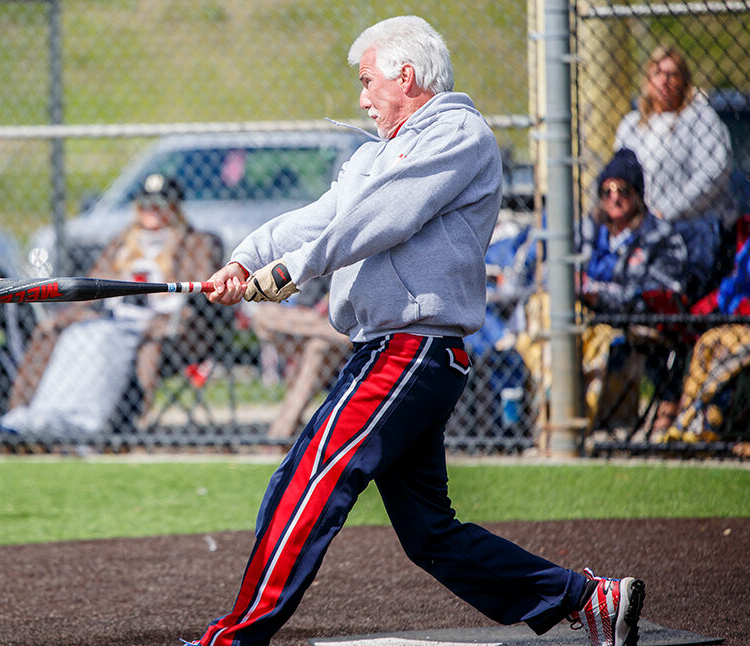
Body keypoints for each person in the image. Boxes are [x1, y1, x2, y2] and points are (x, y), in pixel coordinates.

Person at [193, 16, 644, 646]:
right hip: (383, 352)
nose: (361, 97)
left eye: (367, 80)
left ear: (406, 75)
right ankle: (588, 600)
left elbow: (386, 216)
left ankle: (235, 636)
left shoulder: (459, 133)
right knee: (431, 535)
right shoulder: (375, 154)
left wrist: (293, 270)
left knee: (307, 480)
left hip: (412, 348)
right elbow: (322, 218)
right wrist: (247, 257)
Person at [2, 173, 218, 433]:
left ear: (175, 208)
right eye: (146, 204)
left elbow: (197, 289)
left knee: (104, 340)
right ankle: (38, 414)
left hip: (156, 325)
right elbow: (95, 282)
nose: (152, 211)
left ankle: (85, 423)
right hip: (113, 317)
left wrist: (164, 308)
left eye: (161, 204)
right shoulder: (123, 242)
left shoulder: (195, 242)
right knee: (70, 334)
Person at [577, 148, 689, 433]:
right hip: (588, 315)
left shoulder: (659, 235)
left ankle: (587, 424)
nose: (614, 197)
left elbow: (654, 293)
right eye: (606, 191)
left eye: (622, 190)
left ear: (637, 193)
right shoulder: (592, 229)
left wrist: (600, 294)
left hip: (639, 321)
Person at [613, 45, 734, 301]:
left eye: (672, 74)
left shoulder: (700, 118)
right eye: (657, 73)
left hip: (691, 230)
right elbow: (618, 174)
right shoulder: (632, 125)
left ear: (685, 81)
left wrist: (666, 211)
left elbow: (714, 171)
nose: (664, 81)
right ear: (647, 80)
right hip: (641, 231)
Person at [666, 155, 750, 445]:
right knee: (710, 340)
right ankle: (689, 422)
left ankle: (708, 424)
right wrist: (743, 304)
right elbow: (734, 287)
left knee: (731, 346)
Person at [247, 278, 350, 440]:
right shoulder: (319, 262)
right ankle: (334, 333)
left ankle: (281, 432)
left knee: (319, 347)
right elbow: (306, 304)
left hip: (342, 329)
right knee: (264, 316)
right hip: (317, 327)